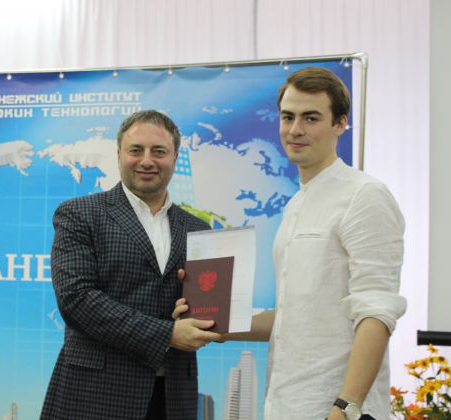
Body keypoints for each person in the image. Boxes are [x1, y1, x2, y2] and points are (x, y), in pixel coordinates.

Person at [175, 67, 406, 419]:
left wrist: (345, 407)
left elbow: (376, 312)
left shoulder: (364, 196)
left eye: (311, 118)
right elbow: (292, 319)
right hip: (286, 404)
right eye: (288, 117)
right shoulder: (297, 203)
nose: (295, 129)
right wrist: (212, 322)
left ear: (340, 124)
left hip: (335, 408)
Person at [41, 110, 221, 420]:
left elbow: (205, 309)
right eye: (136, 150)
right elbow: (76, 299)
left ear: (175, 157)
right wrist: (167, 334)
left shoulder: (198, 229)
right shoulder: (80, 215)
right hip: (94, 396)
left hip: (173, 397)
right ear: (119, 155)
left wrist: (194, 312)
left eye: (159, 151)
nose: (147, 161)